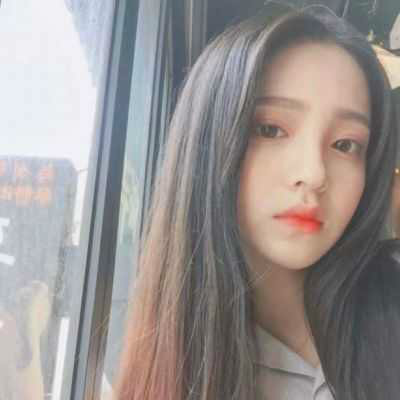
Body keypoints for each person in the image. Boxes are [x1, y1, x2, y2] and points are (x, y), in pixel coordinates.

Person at [114, 3, 399, 400]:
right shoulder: (171, 369)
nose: (314, 173)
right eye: (270, 129)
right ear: (208, 142)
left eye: (345, 144)